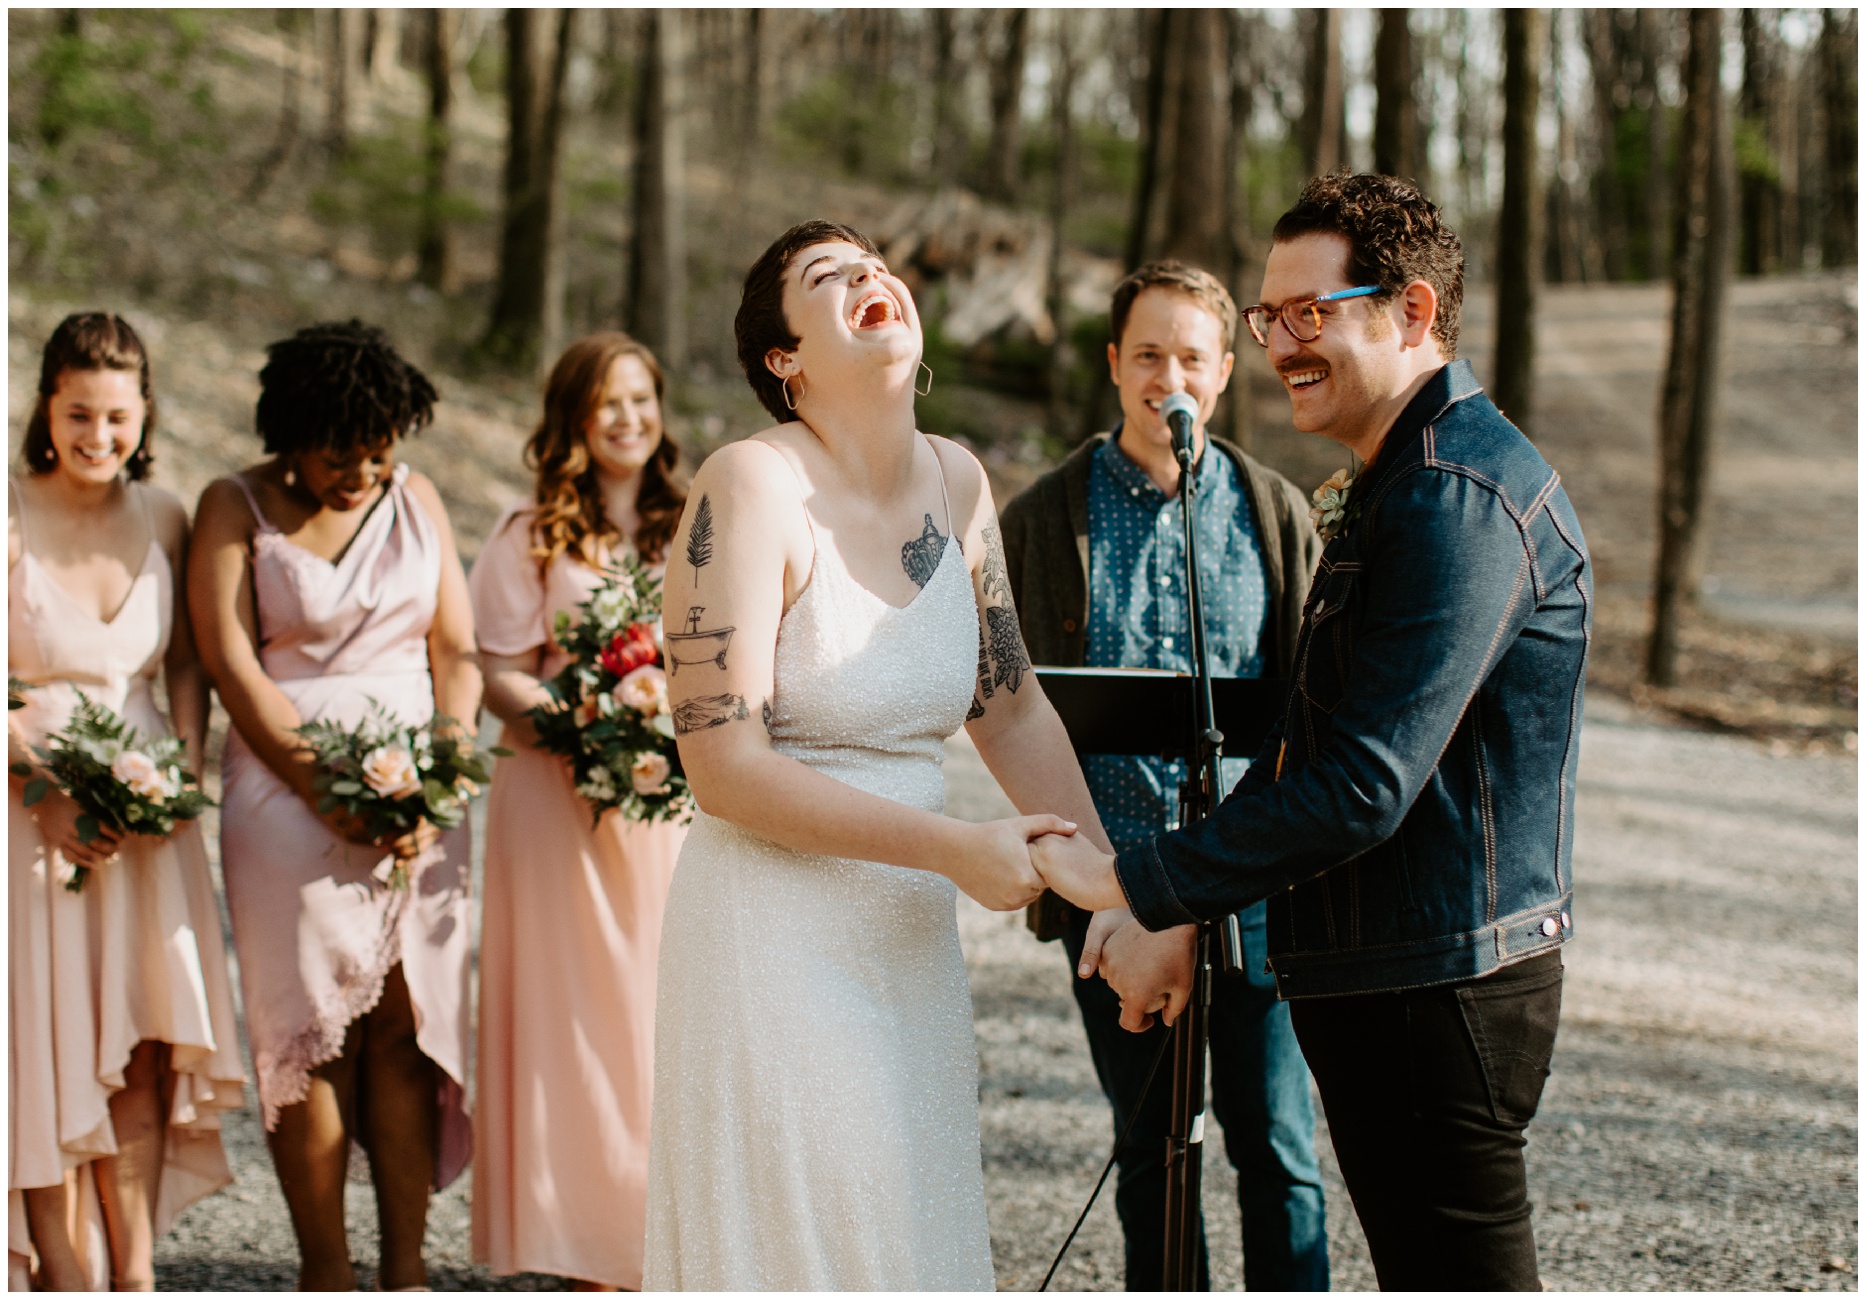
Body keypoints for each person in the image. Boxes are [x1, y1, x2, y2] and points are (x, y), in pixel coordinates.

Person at [1034, 172, 1589, 1291]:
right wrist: (1181, 906)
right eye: (1269, 316)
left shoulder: (1455, 496)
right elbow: (1302, 744)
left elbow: (1361, 783)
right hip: (1387, 978)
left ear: (1413, 311)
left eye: (1309, 314)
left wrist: (1140, 883)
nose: (1283, 344)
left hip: (1439, 989)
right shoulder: (1397, 483)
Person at [641, 220, 1111, 1291]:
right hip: (770, 941)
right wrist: (954, 847)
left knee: (908, 1232)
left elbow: (1012, 710)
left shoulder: (960, 483)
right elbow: (723, 765)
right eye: (829, 275)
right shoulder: (747, 485)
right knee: (809, 1244)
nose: (869, 275)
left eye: (874, 263)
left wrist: (1117, 894)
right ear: (785, 358)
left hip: (908, 946)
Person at [999, 261, 1329, 1291]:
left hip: (1254, 889)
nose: (1168, 378)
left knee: (1275, 1142)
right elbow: (1011, 712)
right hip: (1109, 894)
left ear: (1225, 371)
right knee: (1151, 1144)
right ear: (1113, 364)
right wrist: (1103, 883)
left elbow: (1312, 712)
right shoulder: (1041, 522)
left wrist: (1233, 870)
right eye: (1147, 355)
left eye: (1191, 357)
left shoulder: (1276, 514)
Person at [188, 320, 481, 1291]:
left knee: (403, 1034)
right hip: (285, 800)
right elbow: (232, 663)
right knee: (309, 1036)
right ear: (291, 435)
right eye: (337, 454)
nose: (362, 473)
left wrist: (443, 769)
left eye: (379, 451)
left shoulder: (417, 498)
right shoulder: (233, 505)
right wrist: (322, 785)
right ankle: (328, 1275)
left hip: (419, 800)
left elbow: (455, 651)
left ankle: (407, 1274)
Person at [8, 313, 246, 1291]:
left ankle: (137, 1270)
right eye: (78, 414)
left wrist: (182, 766)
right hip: (31, 816)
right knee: (48, 1039)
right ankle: (63, 1268)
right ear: (46, 409)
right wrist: (41, 793)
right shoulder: (9, 511)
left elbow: (184, 662)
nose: (97, 436)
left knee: (144, 1042)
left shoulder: (167, 514)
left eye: (116, 416)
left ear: (144, 412)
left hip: (149, 820)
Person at [468, 332, 688, 1292]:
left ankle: (655, 1234)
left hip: (662, 804)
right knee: (568, 1015)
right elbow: (496, 672)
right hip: (553, 799)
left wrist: (663, 728)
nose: (628, 419)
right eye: (607, 403)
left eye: (641, 399)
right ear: (573, 419)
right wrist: (586, 721)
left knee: (654, 1012)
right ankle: (576, 1247)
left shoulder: (695, 522)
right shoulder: (530, 532)